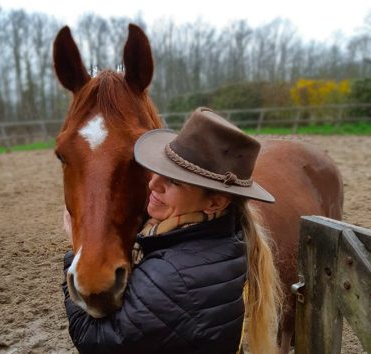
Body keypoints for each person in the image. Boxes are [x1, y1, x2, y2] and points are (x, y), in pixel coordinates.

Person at [62, 107, 282, 354]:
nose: (153, 184)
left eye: (174, 181)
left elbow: (95, 341)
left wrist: (75, 253)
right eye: (161, 170)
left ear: (215, 203)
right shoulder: (224, 236)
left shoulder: (175, 277)